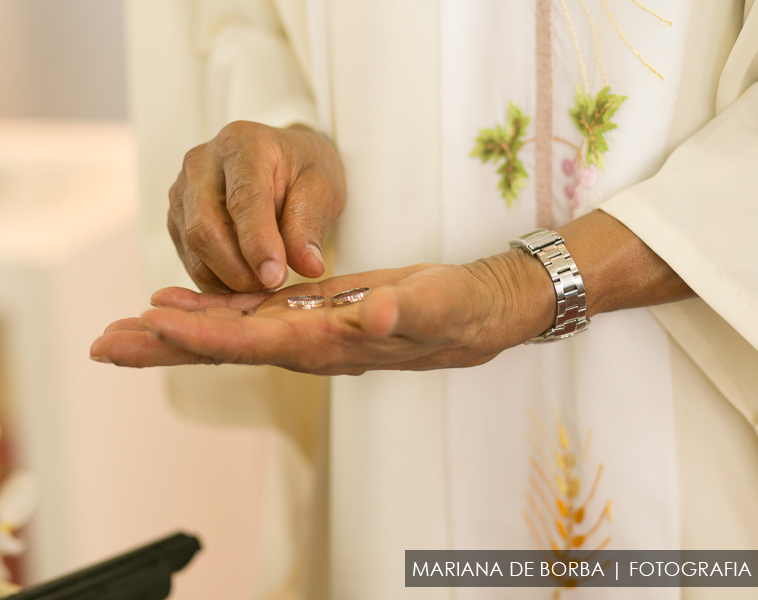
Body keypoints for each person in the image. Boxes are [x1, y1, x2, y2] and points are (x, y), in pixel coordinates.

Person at [93, 1, 758, 598]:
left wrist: (521, 287)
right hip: (388, 421)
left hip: (695, 414)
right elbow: (246, 21)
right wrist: (284, 133)